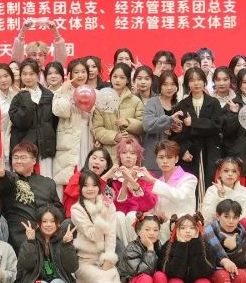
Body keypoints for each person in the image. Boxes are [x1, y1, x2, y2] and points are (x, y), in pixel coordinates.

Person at [71, 170, 124, 283]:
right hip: (85, 261)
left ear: (99, 187)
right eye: (86, 185)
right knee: (105, 279)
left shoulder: (108, 204)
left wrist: (108, 259)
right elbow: (92, 235)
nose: (90, 189)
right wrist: (102, 216)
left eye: (94, 185)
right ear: (80, 187)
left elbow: (111, 235)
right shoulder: (76, 209)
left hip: (102, 259)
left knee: (115, 278)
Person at [15, 206, 78, 283]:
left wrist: (66, 245)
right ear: (39, 224)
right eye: (44, 221)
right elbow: (27, 265)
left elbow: (72, 268)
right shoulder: (31, 240)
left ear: (58, 223)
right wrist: (30, 242)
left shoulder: (63, 241)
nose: (48, 224)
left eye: (52, 221)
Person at [8, 60, 60, 180]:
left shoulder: (49, 96)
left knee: (45, 182)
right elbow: (21, 123)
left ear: (38, 74)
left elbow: (55, 123)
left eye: (31, 74)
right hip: (25, 151)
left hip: (45, 150)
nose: (28, 77)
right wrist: (26, 98)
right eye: (24, 74)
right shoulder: (18, 98)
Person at [52, 59, 96, 191]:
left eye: (83, 72)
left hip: (87, 137)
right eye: (76, 72)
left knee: (87, 178)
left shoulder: (94, 92)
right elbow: (62, 112)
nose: (80, 75)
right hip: (69, 141)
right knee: (68, 179)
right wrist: (65, 92)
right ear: (70, 74)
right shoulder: (61, 92)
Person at [160, 214, 216, 283]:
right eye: (183, 228)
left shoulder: (204, 245)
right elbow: (173, 273)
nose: (187, 231)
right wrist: (181, 246)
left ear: (197, 230)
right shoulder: (169, 245)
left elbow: (206, 272)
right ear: (176, 230)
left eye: (192, 228)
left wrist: (196, 244)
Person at [92, 63, 144, 160]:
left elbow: (142, 126)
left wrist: (128, 123)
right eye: (115, 76)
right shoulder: (101, 100)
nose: (117, 80)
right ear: (110, 78)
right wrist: (114, 137)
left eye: (122, 77)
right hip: (108, 154)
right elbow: (97, 129)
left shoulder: (136, 101)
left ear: (128, 80)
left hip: (130, 154)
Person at [205, 199, 246, 283]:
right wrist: (223, 260)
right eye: (226, 217)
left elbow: (242, 264)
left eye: (235, 217)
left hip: (235, 270)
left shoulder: (242, 233)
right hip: (215, 270)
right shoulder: (208, 232)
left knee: (242, 276)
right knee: (222, 275)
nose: (231, 221)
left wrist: (233, 249)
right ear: (218, 216)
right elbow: (206, 260)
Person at [150, 140, 197, 241]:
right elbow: (154, 207)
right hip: (162, 230)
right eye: (161, 157)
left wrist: (152, 180)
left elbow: (180, 196)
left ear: (176, 159)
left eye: (169, 157)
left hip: (183, 230)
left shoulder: (189, 178)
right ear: (156, 160)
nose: (165, 161)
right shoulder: (158, 181)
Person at [118, 213, 169, 283]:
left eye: (155, 230)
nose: (152, 233)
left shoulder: (160, 247)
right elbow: (140, 272)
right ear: (139, 232)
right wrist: (150, 250)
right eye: (147, 229)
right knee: (145, 279)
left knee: (160, 276)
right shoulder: (131, 249)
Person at [140, 71, 182, 169]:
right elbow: (147, 125)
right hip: (154, 156)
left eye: (172, 84)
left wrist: (178, 129)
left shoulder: (179, 104)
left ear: (176, 86)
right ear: (160, 86)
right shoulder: (152, 102)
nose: (169, 88)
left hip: (173, 157)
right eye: (165, 84)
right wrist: (169, 120)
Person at [200, 157, 246, 224]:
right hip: (216, 227)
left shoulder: (244, 191)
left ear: (238, 174)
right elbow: (207, 216)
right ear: (220, 173)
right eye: (226, 171)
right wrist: (219, 198)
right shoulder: (212, 190)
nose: (230, 174)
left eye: (234, 171)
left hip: (240, 227)